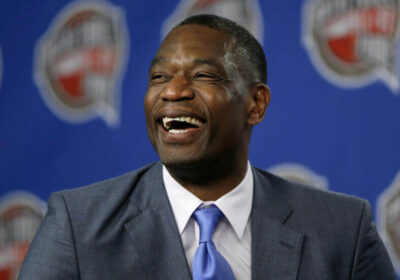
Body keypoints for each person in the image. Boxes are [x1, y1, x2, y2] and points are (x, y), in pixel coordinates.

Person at [19, 14, 395, 280]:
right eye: (159, 77)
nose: (173, 91)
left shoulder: (343, 230)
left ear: (256, 104)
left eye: (202, 76)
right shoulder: (77, 225)